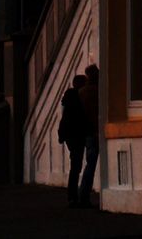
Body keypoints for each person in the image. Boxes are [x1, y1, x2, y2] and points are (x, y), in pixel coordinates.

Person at [58, 74, 87, 207]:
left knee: (75, 164)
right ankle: (73, 196)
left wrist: (61, 135)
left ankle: (72, 196)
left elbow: (65, 118)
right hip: (76, 134)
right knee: (76, 165)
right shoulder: (78, 98)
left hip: (69, 134)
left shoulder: (68, 98)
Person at [76, 64, 100, 208]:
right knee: (91, 164)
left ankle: (82, 195)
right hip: (94, 131)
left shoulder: (81, 92)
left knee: (88, 163)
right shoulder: (96, 91)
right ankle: (83, 195)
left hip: (85, 132)